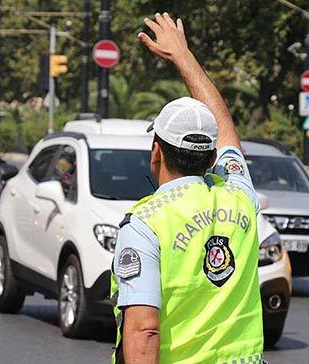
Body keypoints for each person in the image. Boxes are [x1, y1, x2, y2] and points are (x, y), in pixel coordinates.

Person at [110, 12, 265, 364]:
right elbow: (225, 127)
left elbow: (144, 330)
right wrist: (183, 55)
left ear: (156, 151)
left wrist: (178, 56)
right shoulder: (240, 197)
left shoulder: (146, 225)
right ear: (212, 156)